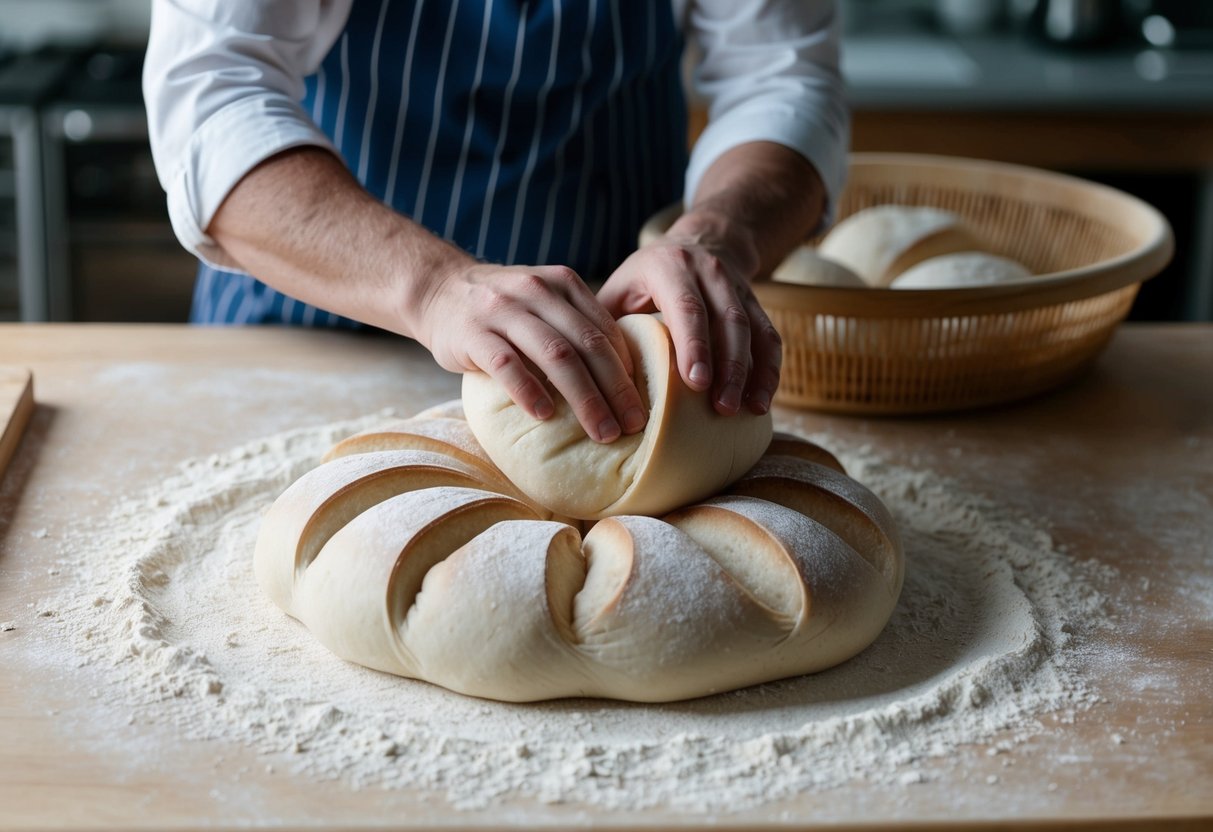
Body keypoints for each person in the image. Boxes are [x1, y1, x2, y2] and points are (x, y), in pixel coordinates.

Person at [143, 0, 848, 443]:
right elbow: (215, 94)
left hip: (614, 355)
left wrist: (714, 238)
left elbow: (778, 78)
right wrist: (433, 287)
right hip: (314, 331)